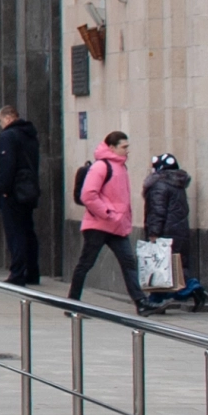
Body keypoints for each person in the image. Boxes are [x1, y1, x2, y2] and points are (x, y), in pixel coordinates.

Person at [67, 130, 159, 314]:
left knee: (128, 262)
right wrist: (108, 213)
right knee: (86, 263)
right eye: (123, 147)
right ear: (111, 147)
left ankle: (141, 302)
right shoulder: (101, 166)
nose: (127, 151)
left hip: (115, 225)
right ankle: (72, 304)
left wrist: (117, 218)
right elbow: (88, 194)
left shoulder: (120, 166)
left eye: (127, 147)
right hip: (99, 225)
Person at [142, 151, 205, 309]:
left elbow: (157, 211)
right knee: (173, 268)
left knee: (160, 268)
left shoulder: (159, 185)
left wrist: (154, 234)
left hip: (164, 233)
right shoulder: (177, 184)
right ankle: (192, 289)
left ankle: (162, 298)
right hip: (179, 232)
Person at [0, 103, 43, 285]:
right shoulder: (29, 135)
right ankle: (33, 271)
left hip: (13, 192)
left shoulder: (8, 135)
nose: (0, 125)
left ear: (8, 118)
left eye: (0, 121)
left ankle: (17, 273)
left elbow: (8, 164)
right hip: (28, 189)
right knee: (28, 230)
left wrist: (3, 190)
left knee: (15, 232)